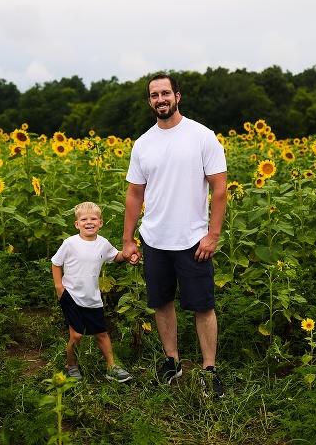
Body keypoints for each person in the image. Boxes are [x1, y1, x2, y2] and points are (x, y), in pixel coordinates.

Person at [122, 73, 227, 397]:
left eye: (165, 93)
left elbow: (220, 187)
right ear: (149, 101)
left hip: (193, 240)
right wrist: (128, 239)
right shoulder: (143, 144)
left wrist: (213, 234)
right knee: (161, 303)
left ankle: (209, 369)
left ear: (177, 96)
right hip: (155, 239)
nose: (160, 99)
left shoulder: (201, 136)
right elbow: (134, 194)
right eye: (154, 95)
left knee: (202, 306)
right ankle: (172, 360)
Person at [51, 201, 135, 383]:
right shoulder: (70, 243)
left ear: (100, 223)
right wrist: (59, 286)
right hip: (71, 295)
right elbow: (56, 263)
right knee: (77, 335)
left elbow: (116, 257)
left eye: (93, 219)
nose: (89, 222)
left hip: (92, 297)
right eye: (84, 219)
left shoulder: (103, 244)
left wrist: (129, 254)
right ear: (77, 224)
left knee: (102, 333)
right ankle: (71, 366)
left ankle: (111, 367)